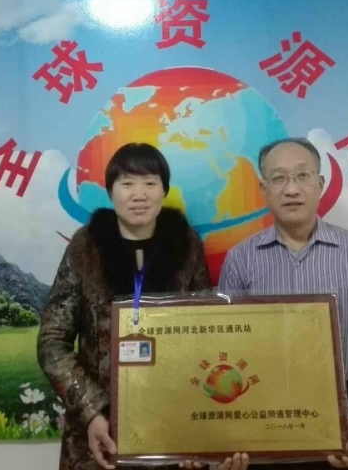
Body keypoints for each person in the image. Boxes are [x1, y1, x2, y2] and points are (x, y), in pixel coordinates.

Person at [38, 142, 249, 470]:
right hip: (98, 432)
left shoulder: (186, 247)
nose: (139, 194)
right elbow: (52, 342)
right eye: (127, 184)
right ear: (111, 192)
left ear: (164, 190)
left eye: (150, 183)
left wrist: (198, 420)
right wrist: (92, 410)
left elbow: (205, 334)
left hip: (172, 424)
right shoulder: (86, 248)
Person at [217, 138, 348, 470]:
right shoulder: (240, 260)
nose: (292, 189)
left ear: (320, 184)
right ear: (264, 190)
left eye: (302, 176)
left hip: (345, 419)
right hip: (265, 416)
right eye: (278, 178)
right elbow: (225, 345)